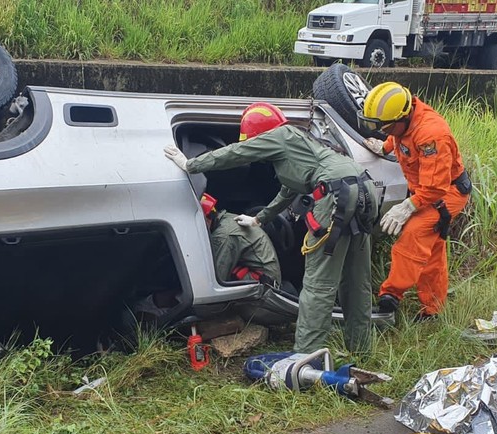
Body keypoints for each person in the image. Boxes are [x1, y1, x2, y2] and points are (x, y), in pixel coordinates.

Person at [165, 102, 379, 354]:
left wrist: (191, 164)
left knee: (318, 285)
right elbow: (290, 188)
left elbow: (237, 152)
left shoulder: (277, 135)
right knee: (356, 279)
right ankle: (361, 349)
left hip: (335, 196)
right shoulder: (300, 140)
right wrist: (259, 219)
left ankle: (306, 358)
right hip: (364, 190)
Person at [360, 82, 472, 320]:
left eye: (388, 128)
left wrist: (408, 206)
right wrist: (385, 146)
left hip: (446, 193)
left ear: (403, 117)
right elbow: (400, 139)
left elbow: (435, 187)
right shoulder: (404, 122)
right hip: (427, 191)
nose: (387, 132)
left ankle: (390, 296)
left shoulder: (432, 135)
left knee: (412, 234)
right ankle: (433, 309)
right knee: (432, 252)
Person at [200, 193, 282, 287]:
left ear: (206, 219)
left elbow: (216, 280)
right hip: (265, 273)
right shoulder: (227, 218)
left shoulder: (223, 236)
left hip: (266, 286)